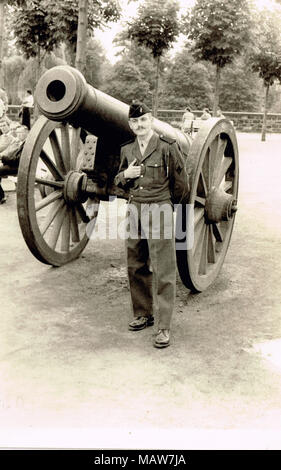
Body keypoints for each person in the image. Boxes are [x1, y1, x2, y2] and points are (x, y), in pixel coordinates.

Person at [114, 100, 189, 348]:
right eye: (134, 121)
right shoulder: (127, 149)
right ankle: (143, 314)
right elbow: (117, 182)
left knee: (164, 268)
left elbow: (182, 185)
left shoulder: (167, 147)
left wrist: (166, 206)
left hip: (160, 208)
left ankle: (164, 327)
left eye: (143, 120)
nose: (139, 125)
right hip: (135, 208)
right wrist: (126, 175)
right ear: (130, 124)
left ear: (151, 120)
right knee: (135, 262)